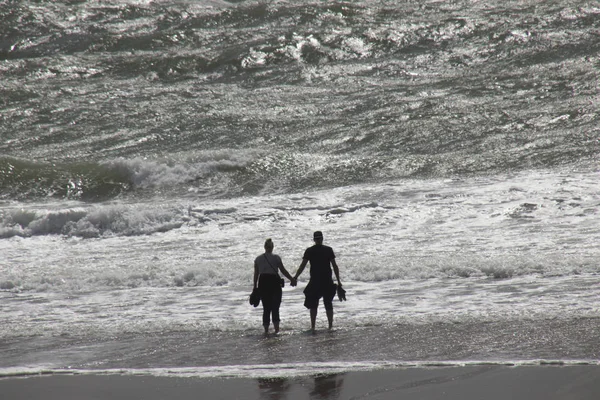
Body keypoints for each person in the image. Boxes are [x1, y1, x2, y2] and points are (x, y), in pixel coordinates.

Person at [291, 231, 342, 333]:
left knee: (315, 304)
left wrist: (295, 277)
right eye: (318, 238)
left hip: (316, 281)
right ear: (319, 239)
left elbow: (303, 265)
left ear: (316, 239)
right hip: (325, 280)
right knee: (327, 303)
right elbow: (334, 266)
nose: (318, 240)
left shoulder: (310, 250)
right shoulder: (328, 250)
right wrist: (338, 281)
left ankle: (314, 327)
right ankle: (329, 326)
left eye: (318, 238)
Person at [254, 238, 294, 335]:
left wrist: (255, 287)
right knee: (275, 307)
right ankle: (276, 330)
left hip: (263, 282)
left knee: (266, 308)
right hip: (274, 282)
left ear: (264, 247)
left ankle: (266, 330)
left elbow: (256, 274)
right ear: (272, 247)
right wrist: (292, 279)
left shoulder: (258, 259)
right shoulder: (276, 258)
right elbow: (283, 270)